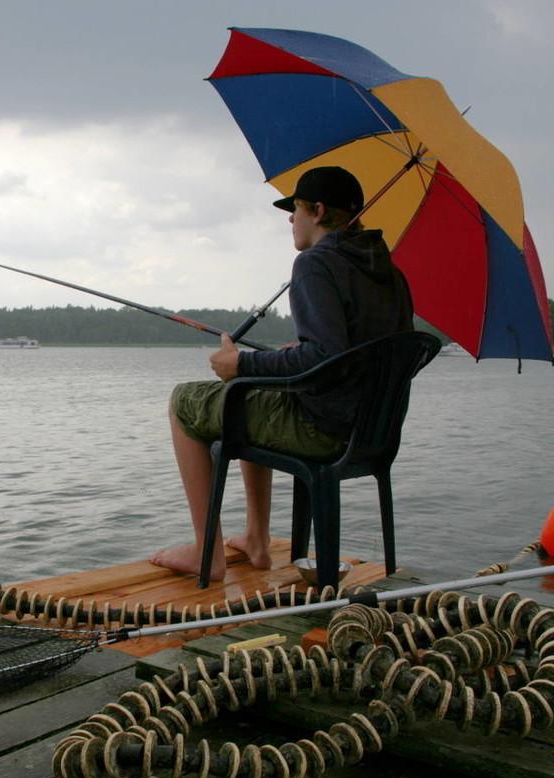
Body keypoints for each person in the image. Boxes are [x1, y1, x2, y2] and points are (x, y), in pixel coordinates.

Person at [150, 166, 414, 580]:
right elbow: (346, 352)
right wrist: (295, 354)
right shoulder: (392, 275)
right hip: (372, 434)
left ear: (319, 210)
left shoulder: (314, 264)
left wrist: (241, 363)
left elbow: (326, 355)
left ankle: (208, 553)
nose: (291, 218)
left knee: (184, 402)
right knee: (252, 394)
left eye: (296, 208)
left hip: (322, 430)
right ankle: (256, 538)